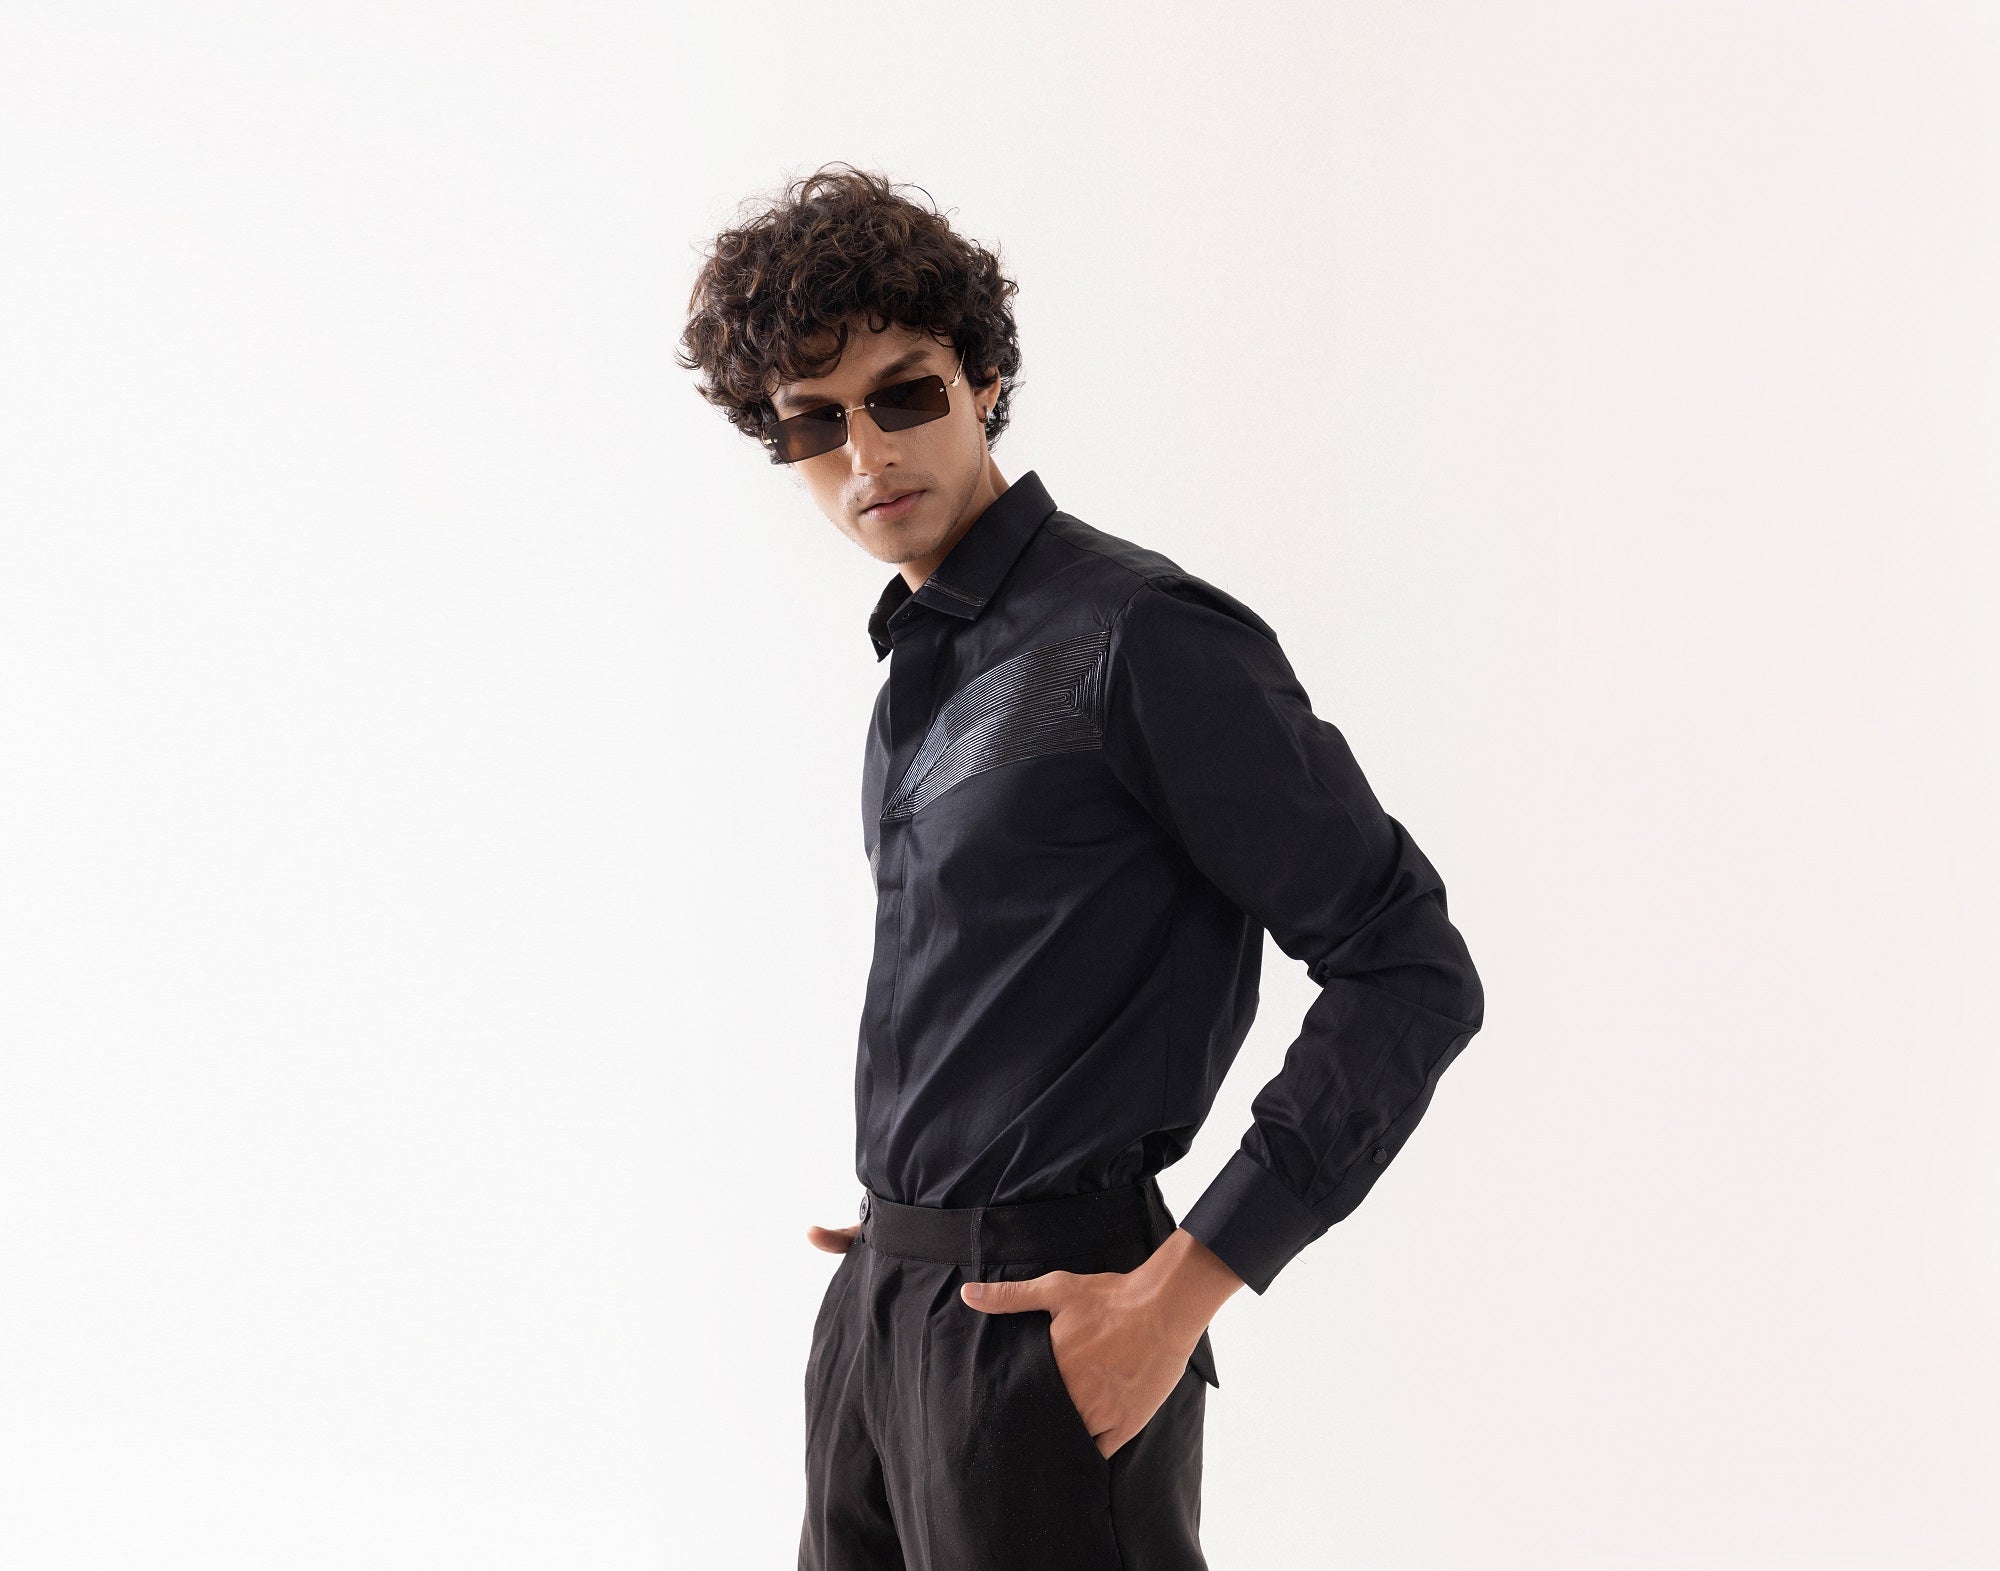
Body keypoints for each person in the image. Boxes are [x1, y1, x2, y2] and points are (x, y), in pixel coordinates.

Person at [677, 162, 1485, 1570]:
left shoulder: (1140, 636)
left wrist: (1186, 1288)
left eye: (904, 395)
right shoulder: (919, 673)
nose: (866, 454)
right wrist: (903, 1239)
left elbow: (1408, 966)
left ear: (984, 381)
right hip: (882, 1309)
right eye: (813, 421)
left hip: (1050, 1327)